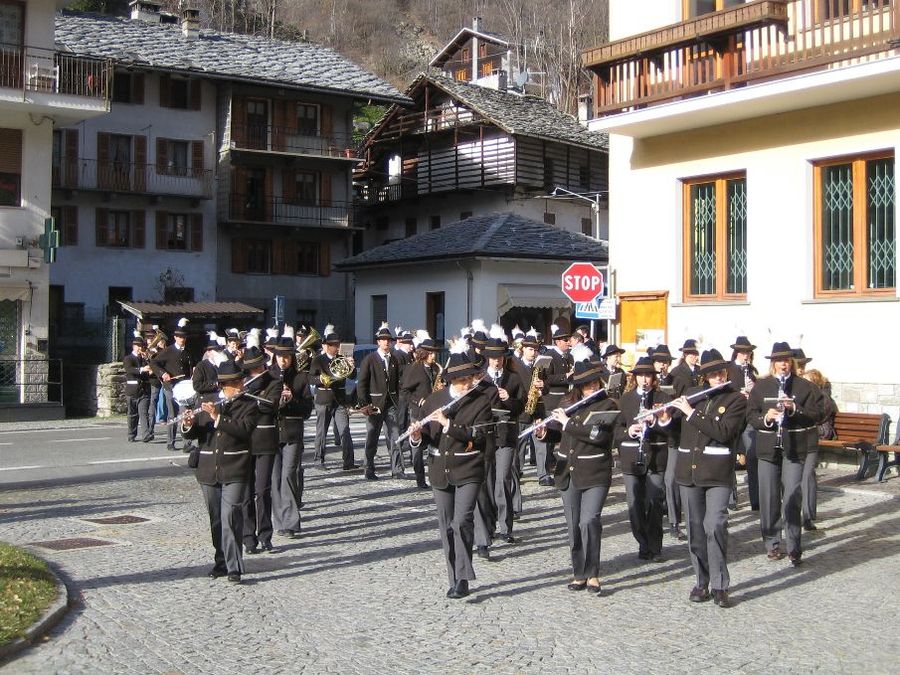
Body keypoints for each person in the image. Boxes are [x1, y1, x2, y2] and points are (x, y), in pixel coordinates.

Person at [408, 345, 493, 600]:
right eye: (463, 380)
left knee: (462, 521)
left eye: (470, 379)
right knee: (446, 526)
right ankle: (453, 577)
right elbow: (426, 439)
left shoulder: (480, 402)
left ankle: (464, 577)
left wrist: (449, 424)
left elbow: (479, 437)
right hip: (439, 469)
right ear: (452, 381)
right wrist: (416, 435)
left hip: (469, 467)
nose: (468, 384)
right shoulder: (434, 400)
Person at [538, 345, 619, 594]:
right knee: (573, 525)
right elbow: (558, 432)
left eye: (594, 383)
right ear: (578, 387)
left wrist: (568, 422)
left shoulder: (607, 406)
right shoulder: (568, 402)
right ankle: (579, 572)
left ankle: (593, 572)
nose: (591, 388)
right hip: (567, 471)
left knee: (589, 521)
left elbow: (598, 436)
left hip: (595, 471)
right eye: (586, 385)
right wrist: (545, 431)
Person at [671, 348, 747, 608]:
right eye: (711, 374)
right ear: (704, 376)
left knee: (715, 526)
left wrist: (691, 413)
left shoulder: (736, 400)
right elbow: (674, 431)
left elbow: (724, 432)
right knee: (694, 531)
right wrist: (661, 419)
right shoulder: (693, 396)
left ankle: (720, 585)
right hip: (689, 473)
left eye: (720, 372)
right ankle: (702, 582)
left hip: (717, 474)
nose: (716, 377)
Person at [181, 360, 259, 584]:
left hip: (235, 468)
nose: (241, 385)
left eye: (241, 381)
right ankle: (221, 562)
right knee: (216, 519)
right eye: (236, 382)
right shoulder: (207, 402)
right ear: (225, 385)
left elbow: (243, 430)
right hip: (208, 469)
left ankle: (234, 567)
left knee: (230, 516)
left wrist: (218, 418)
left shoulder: (248, 405)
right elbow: (196, 434)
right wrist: (188, 424)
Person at [748, 342, 823, 566]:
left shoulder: (804, 387)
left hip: (795, 448)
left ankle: (794, 545)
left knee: (792, 495)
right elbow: (751, 416)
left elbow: (817, 414)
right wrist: (767, 418)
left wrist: (794, 409)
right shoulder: (761, 387)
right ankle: (772, 543)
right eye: (779, 360)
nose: (783, 364)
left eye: (786, 360)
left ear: (791, 362)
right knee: (769, 497)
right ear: (773, 363)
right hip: (768, 448)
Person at [615, 357, 673, 563]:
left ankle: (655, 546)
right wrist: (629, 430)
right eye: (641, 376)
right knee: (635, 504)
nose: (644, 379)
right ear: (635, 377)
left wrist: (656, 421)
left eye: (648, 375)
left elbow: (671, 430)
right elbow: (615, 430)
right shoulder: (626, 399)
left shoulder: (664, 398)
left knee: (654, 501)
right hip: (632, 456)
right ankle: (642, 542)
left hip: (656, 456)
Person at [475, 328, 525, 554]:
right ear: (487, 358)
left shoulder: (513, 378)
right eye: (493, 357)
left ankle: (506, 526)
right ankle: (487, 527)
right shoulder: (479, 379)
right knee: (485, 482)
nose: (496, 361)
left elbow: (522, 407)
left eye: (500, 357)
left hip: (506, 435)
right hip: (485, 436)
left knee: (502, 479)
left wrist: (510, 399)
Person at [241, 340, 282, 555]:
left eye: (258, 367)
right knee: (246, 492)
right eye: (252, 369)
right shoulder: (241, 383)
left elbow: (269, 406)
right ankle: (249, 538)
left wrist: (249, 397)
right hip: (244, 440)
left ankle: (265, 534)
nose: (256, 371)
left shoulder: (273, 382)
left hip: (265, 440)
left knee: (262, 490)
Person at [271, 334, 314, 539]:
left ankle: (290, 523)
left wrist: (292, 399)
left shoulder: (301, 377)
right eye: (279, 356)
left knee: (289, 475)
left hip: (292, 432)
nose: (283, 360)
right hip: (270, 434)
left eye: (286, 356)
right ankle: (279, 521)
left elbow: (307, 409)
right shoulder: (267, 376)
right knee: (275, 477)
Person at [357, 323, 402, 480]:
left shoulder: (395, 359)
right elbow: (361, 383)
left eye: (388, 340)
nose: (386, 342)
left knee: (395, 437)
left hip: (391, 405)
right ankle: (368, 469)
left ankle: (396, 469)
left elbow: (397, 383)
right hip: (374, 405)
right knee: (372, 438)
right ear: (378, 342)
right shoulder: (369, 359)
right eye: (383, 340)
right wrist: (364, 404)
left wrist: (399, 401)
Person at [309, 328, 357, 469]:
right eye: (334, 345)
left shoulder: (341, 359)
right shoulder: (318, 360)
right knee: (321, 432)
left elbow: (352, 377)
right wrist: (321, 379)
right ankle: (319, 460)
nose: (337, 347)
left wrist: (352, 366)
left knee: (345, 431)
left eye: (338, 345)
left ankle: (348, 462)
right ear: (327, 346)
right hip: (323, 399)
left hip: (339, 400)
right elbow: (310, 378)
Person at [652, 344, 686, 541]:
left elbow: (682, 407)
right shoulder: (648, 382)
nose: (662, 365)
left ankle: (674, 522)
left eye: (665, 362)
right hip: (654, 438)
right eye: (659, 362)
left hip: (672, 436)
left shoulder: (678, 381)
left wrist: (669, 412)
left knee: (671, 479)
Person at [400, 331, 441, 489]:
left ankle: (434, 474)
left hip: (434, 413)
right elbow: (404, 392)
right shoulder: (413, 369)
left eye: (435, 353)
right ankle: (420, 478)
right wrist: (419, 400)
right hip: (418, 413)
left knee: (433, 444)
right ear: (424, 353)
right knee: (417, 447)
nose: (434, 356)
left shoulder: (436, 369)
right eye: (431, 353)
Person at [726, 336, 759, 511]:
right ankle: (731, 497)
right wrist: (739, 394)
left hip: (749, 417)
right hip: (733, 416)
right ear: (737, 352)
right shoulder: (728, 369)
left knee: (752, 455)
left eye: (748, 352)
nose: (746, 355)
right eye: (743, 352)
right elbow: (724, 391)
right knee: (729, 455)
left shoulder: (752, 370)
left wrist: (753, 390)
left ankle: (756, 499)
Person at [538, 324, 573, 487]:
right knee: (549, 436)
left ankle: (559, 464)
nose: (568, 342)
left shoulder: (569, 357)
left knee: (562, 435)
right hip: (552, 400)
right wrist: (565, 377)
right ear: (558, 342)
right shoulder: (550, 356)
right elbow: (547, 379)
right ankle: (544, 471)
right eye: (566, 340)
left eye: (569, 339)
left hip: (566, 401)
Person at [151, 317, 193, 452]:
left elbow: (190, 369)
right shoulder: (168, 351)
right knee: (172, 415)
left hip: (184, 389)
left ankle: (187, 443)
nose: (182, 339)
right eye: (180, 337)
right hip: (170, 387)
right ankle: (171, 442)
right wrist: (163, 374)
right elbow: (154, 363)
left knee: (185, 415)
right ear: (175, 337)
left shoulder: (187, 352)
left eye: (184, 337)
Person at [794, 348, 822, 530]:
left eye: (803, 365)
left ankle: (808, 515)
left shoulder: (812, 386)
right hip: (792, 439)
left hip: (809, 436)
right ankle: (794, 514)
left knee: (807, 474)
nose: (801, 369)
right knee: (793, 478)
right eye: (798, 365)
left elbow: (821, 410)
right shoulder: (784, 385)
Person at [123, 331, 152, 443]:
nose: (140, 348)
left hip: (143, 390)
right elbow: (129, 370)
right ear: (134, 346)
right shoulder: (128, 358)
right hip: (132, 390)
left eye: (142, 346)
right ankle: (131, 434)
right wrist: (141, 369)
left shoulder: (144, 358)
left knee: (144, 413)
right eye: (139, 346)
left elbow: (150, 368)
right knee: (132, 414)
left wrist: (148, 360)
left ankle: (146, 434)